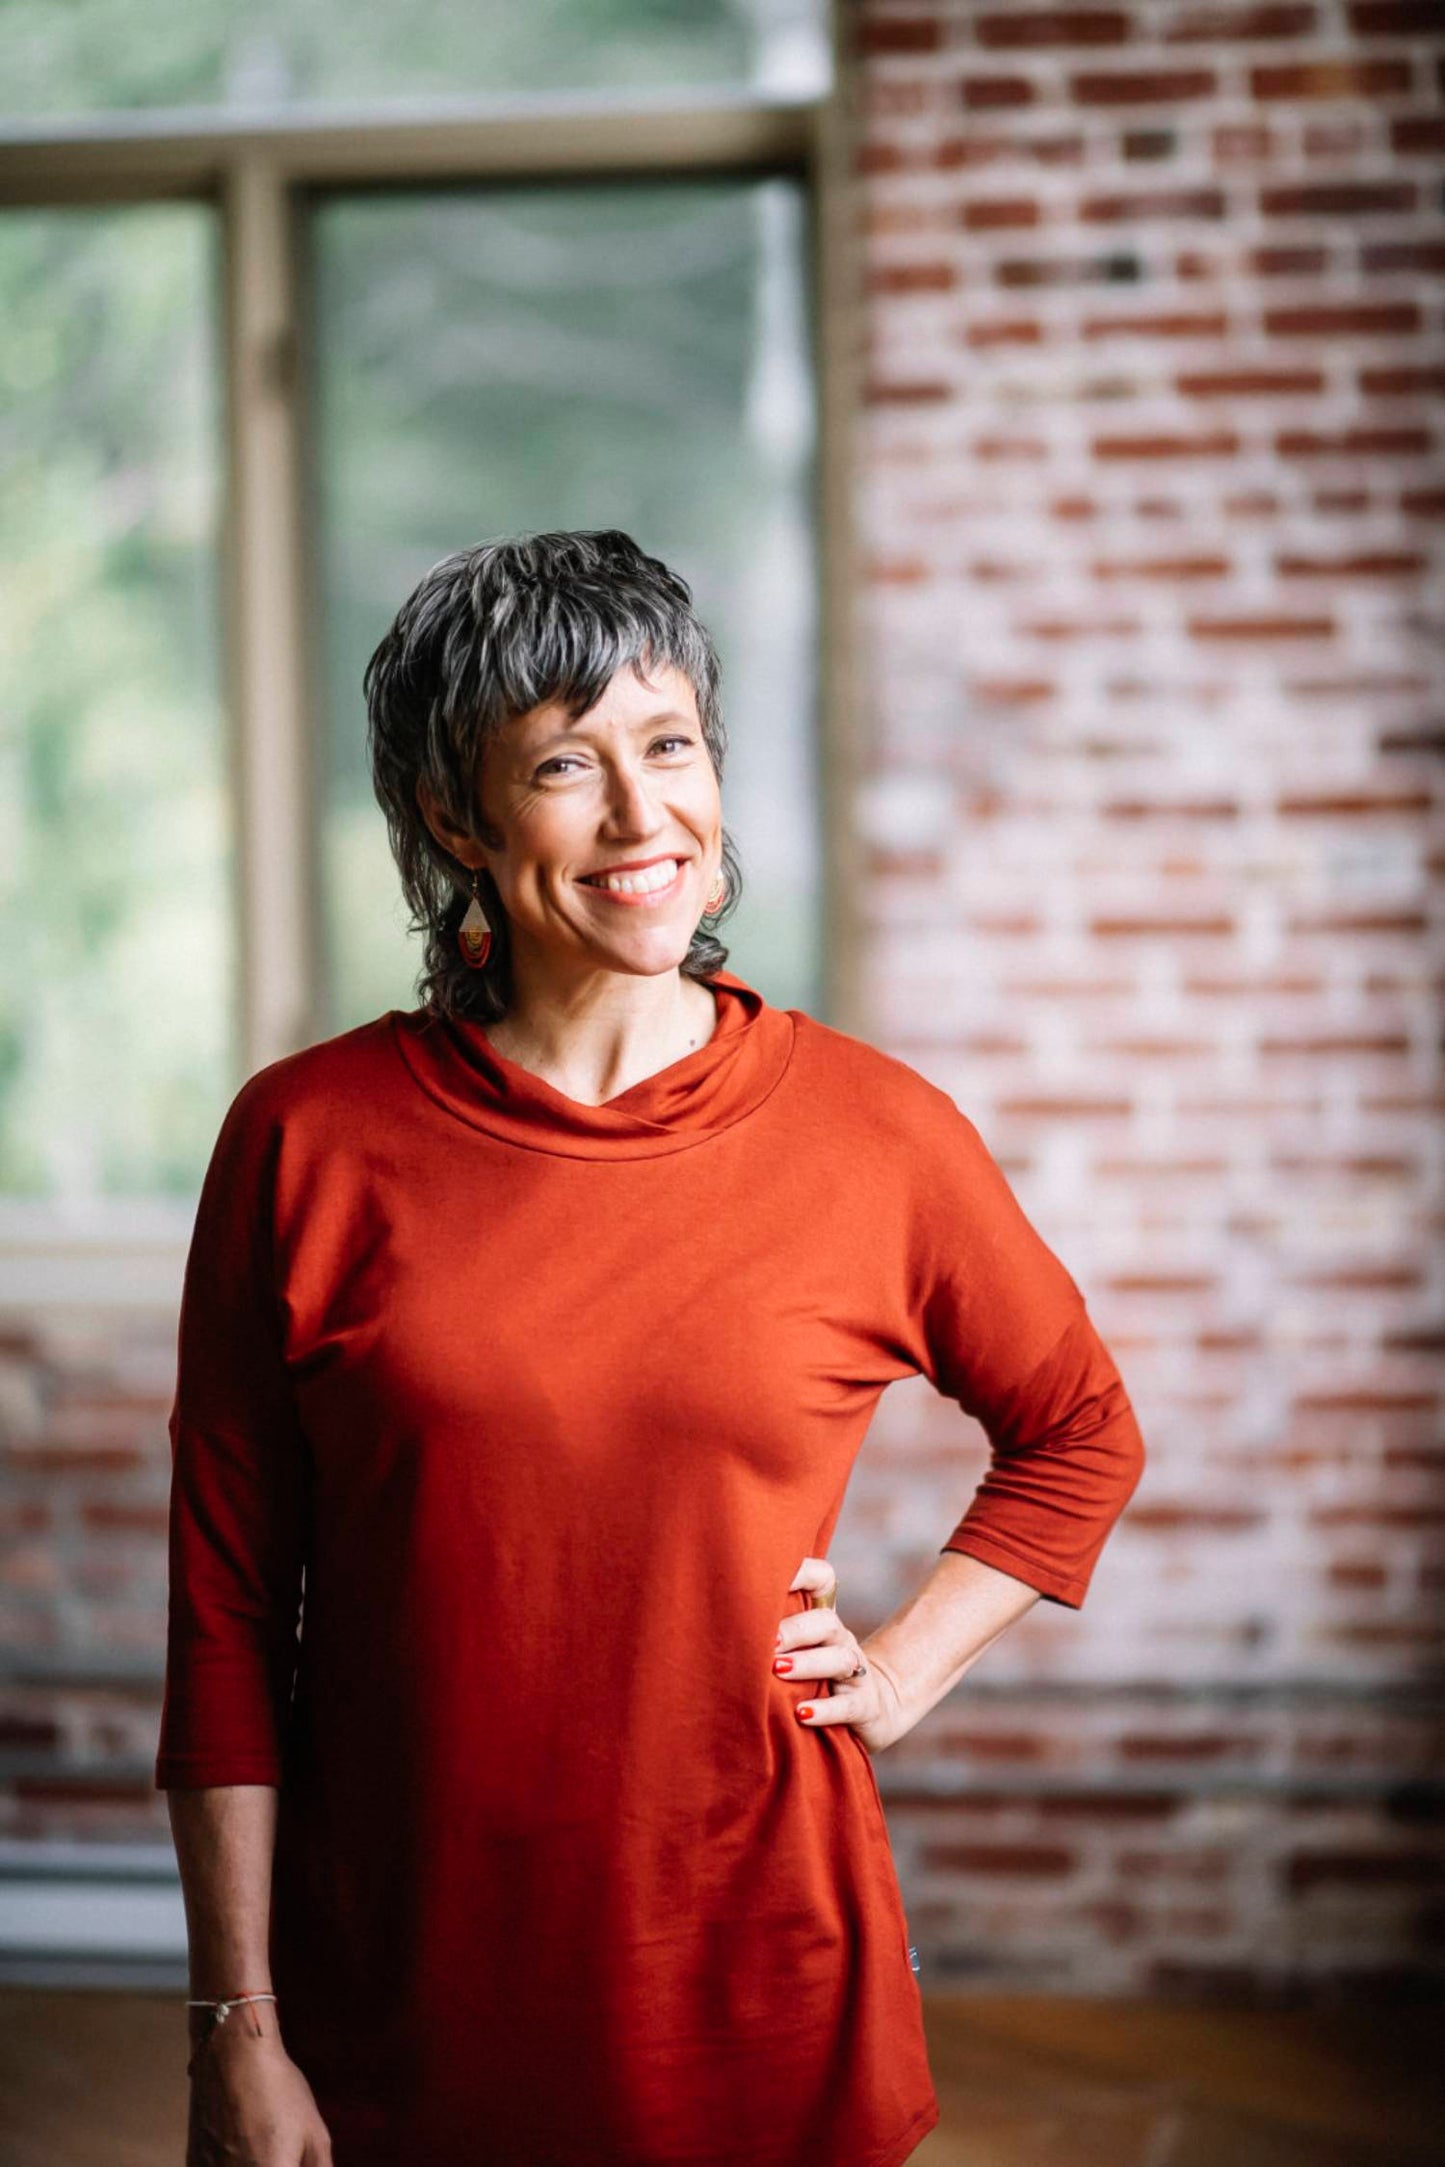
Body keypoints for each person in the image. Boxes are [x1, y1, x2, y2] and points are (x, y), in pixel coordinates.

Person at [156, 528, 1146, 2167]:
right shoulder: (304, 1141)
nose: (640, 818)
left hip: (761, 1977)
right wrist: (232, 2027)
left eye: (668, 746)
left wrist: (901, 1667)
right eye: (564, 763)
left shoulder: (873, 1136)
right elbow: (224, 1618)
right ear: (452, 817)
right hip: (392, 1994)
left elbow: (1079, 1431)